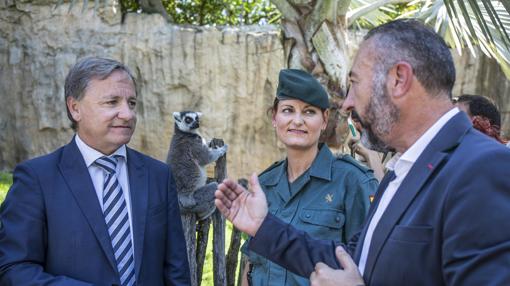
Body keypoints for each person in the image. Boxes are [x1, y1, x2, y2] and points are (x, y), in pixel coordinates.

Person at [215, 19, 510, 286]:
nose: (347, 103)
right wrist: (263, 227)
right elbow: (352, 259)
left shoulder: (483, 167)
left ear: (398, 79)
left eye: (355, 84)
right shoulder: (402, 170)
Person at [0, 57, 191, 285]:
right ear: (75, 108)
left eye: (131, 103)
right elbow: (14, 268)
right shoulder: (37, 179)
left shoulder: (158, 175)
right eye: (112, 102)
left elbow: (176, 271)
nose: (128, 114)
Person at [240, 69, 378, 286]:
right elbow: (252, 264)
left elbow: (370, 265)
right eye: (288, 110)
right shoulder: (265, 184)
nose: (297, 121)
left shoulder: (352, 182)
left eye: (308, 112)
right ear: (275, 118)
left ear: (324, 120)